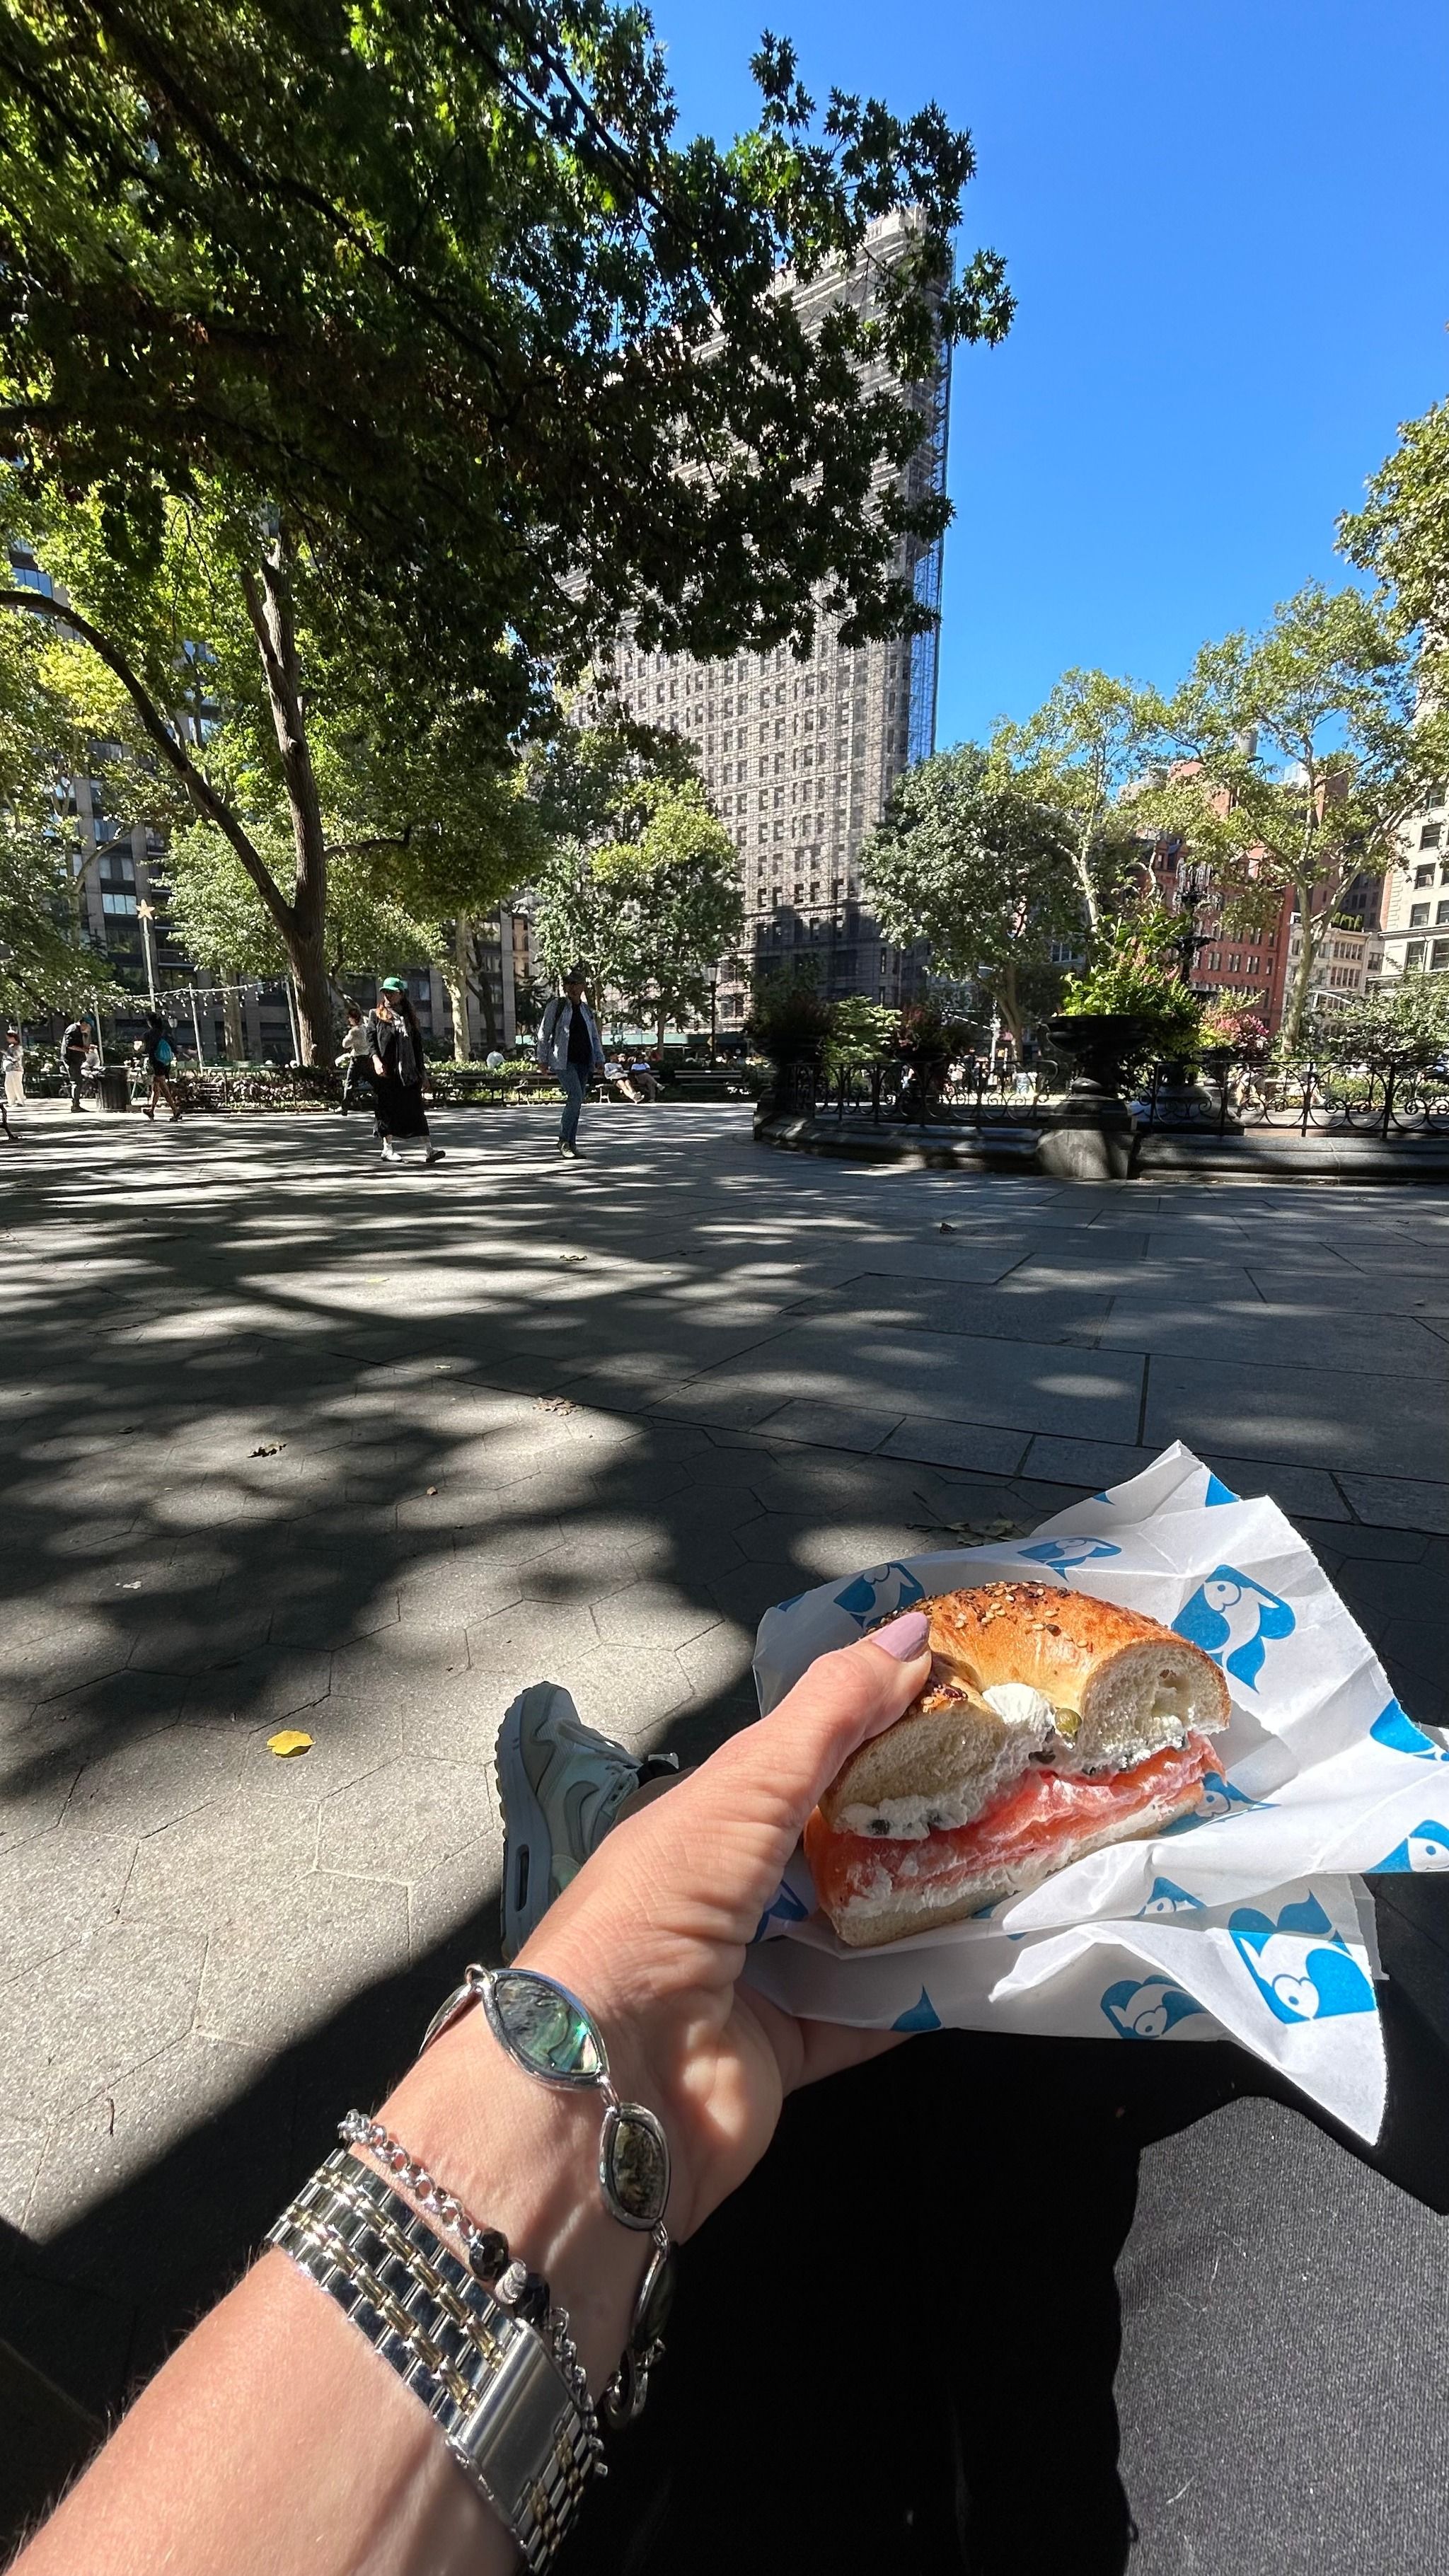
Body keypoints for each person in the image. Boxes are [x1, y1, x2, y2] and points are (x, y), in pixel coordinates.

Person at [367, 976, 444, 1167]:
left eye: (392, 992)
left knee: (416, 1110)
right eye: (385, 992)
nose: (388, 995)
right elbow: (371, 1042)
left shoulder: (409, 1018)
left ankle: (429, 1150)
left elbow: (418, 1047)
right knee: (387, 1110)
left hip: (409, 1071)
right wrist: (376, 1061)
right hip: (387, 1071)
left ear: (401, 994)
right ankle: (387, 1148)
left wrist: (423, 1074)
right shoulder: (376, 1015)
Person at [538, 966, 604, 1159]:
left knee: (578, 1101)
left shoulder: (586, 1010)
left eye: (576, 983)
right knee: (575, 1097)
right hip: (563, 1061)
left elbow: (594, 1036)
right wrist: (542, 1059)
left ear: (583, 986)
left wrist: (600, 1058)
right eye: (568, 984)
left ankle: (572, 1144)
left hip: (584, 1060)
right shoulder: (557, 1006)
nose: (572, 988)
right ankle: (563, 1140)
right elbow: (544, 1035)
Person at [139, 1010, 183, 1121]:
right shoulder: (166, 1033)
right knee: (156, 1087)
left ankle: (175, 1111)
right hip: (166, 1062)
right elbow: (174, 1048)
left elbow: (147, 1050)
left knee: (163, 1086)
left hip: (157, 1062)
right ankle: (151, 1110)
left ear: (150, 1022)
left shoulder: (149, 1034)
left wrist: (140, 1050)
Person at [335, 1001, 374, 1115]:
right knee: (374, 1081)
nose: (348, 1020)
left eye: (349, 1018)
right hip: (368, 1058)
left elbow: (345, 1044)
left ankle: (345, 1107)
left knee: (350, 1083)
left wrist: (348, 1036)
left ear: (353, 1019)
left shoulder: (354, 1031)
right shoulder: (366, 1028)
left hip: (357, 1060)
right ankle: (386, 1101)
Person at [59, 1014, 91, 1111]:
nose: (88, 1029)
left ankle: (76, 1104)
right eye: (88, 1027)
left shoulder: (76, 1030)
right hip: (71, 1059)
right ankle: (75, 1105)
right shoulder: (73, 1030)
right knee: (76, 1082)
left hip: (75, 1059)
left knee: (77, 1081)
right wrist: (83, 1050)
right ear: (83, 1023)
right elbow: (70, 1045)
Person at [2, 1026, 23, 1109]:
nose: (8, 1040)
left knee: (17, 1085)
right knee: (8, 1085)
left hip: (16, 1069)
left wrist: (7, 1055)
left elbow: (17, 1058)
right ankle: (11, 1101)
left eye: (9, 1038)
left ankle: (21, 1101)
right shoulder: (10, 1047)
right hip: (9, 1069)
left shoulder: (19, 1047)